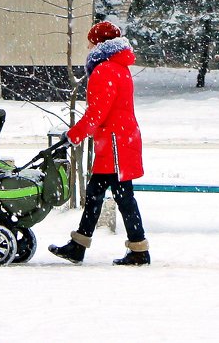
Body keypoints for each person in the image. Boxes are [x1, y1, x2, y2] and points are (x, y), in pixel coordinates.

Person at [49, 20, 149, 266]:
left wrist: (73, 136)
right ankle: (80, 245)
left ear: (99, 44)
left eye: (90, 41)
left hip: (114, 143)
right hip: (120, 140)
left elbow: (97, 113)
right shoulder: (119, 67)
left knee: (122, 196)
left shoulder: (104, 70)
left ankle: (138, 249)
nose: (87, 45)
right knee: (97, 193)